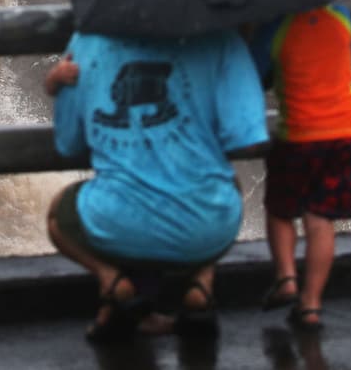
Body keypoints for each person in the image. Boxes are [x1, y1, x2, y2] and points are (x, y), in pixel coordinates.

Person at [44, 28, 268, 342]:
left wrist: (55, 83)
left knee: (58, 214)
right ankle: (201, 286)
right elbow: (247, 141)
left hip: (118, 224)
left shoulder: (87, 42)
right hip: (206, 229)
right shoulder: (224, 41)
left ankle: (113, 283)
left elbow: (69, 144)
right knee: (226, 182)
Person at [248, 3, 351, 332]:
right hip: (345, 135)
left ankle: (286, 278)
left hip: (299, 136)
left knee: (280, 210)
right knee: (321, 220)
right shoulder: (342, 17)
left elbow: (256, 76)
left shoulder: (276, 27)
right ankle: (311, 306)